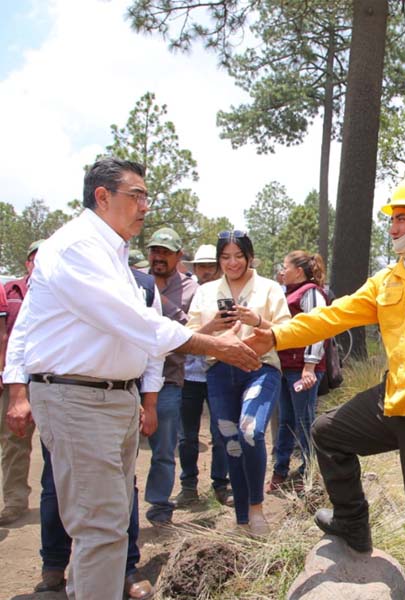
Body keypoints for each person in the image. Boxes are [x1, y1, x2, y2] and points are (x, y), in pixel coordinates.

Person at [2, 157, 260, 600]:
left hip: (112, 398)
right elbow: (130, 321)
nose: (145, 206)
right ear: (103, 197)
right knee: (100, 528)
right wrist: (214, 346)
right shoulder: (78, 248)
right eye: (136, 195)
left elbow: (139, 329)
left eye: (146, 196)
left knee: (112, 523)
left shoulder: (112, 253)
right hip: (79, 399)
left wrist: (185, 352)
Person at [246, 172, 405, 599]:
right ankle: (353, 525)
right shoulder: (389, 278)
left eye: (403, 217)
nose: (393, 227)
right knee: (328, 432)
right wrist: (276, 335)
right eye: (392, 219)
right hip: (393, 399)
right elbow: (334, 315)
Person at [34, 263, 162, 598]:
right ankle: (55, 563)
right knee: (95, 521)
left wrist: (146, 402)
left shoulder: (143, 284)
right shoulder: (68, 268)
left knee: (114, 512)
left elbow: (153, 348)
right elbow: (24, 334)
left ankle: (116, 574)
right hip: (74, 397)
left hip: (122, 397)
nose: (143, 207)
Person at [186, 230, 290, 535]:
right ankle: (241, 518)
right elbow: (189, 336)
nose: (232, 263)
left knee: (250, 430)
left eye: (239, 256)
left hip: (261, 367)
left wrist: (257, 321)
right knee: (230, 440)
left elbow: (289, 331)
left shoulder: (269, 289)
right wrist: (212, 326)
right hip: (219, 370)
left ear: (250, 256)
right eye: (225, 257)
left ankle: (257, 509)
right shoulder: (205, 292)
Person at [142, 227, 199, 525]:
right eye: (154, 251)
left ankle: (160, 505)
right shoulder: (133, 279)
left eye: (165, 252)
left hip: (169, 379)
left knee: (164, 448)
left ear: (179, 255)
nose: (158, 257)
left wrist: (163, 306)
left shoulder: (192, 289)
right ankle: (123, 506)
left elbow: (192, 329)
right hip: (130, 378)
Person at [267, 250, 328, 494]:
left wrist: (309, 366)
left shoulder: (311, 293)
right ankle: (280, 470)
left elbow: (318, 329)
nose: (282, 271)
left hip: (302, 369)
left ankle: (309, 472)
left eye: (285, 266)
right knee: (286, 421)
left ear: (298, 271)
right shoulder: (289, 293)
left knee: (304, 420)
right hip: (286, 368)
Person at [175, 243, 231, 507]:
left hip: (218, 371)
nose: (206, 271)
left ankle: (221, 484)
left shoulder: (225, 293)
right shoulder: (185, 292)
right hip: (188, 374)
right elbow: (185, 335)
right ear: (194, 268)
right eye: (201, 266)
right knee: (187, 436)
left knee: (221, 432)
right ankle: (189, 486)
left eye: (210, 265)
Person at [0, 239, 42, 527]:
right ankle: (14, 500)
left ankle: (23, 500)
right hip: (14, 377)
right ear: (27, 262)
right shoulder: (10, 291)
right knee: (13, 439)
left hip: (47, 376)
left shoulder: (62, 291)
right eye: (35, 258)